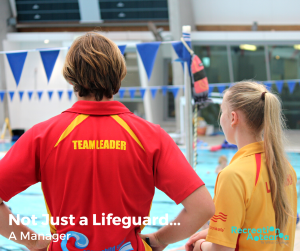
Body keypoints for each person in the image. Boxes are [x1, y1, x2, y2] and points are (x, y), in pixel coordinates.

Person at [0, 32, 215, 251]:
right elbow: (202, 208)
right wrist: (160, 239)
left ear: (70, 76)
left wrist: (33, 241)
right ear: (119, 75)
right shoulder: (151, 136)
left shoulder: (43, 136)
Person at [185, 81, 297, 251]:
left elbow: (222, 250)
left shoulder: (233, 175)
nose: (220, 118)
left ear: (233, 118)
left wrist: (199, 245)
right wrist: (214, 233)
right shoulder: (285, 168)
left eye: (222, 111)